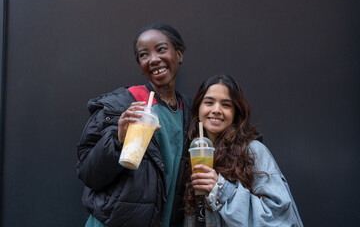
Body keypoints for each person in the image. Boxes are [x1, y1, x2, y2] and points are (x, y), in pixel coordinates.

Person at [76, 23, 192, 227]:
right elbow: (89, 174)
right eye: (143, 55)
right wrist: (118, 139)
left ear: (179, 54)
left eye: (161, 49)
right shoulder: (119, 106)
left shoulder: (190, 112)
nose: (153, 59)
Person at [183, 74, 303, 227]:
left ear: (235, 113)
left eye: (226, 105)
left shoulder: (253, 151)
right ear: (198, 108)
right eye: (209, 102)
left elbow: (278, 217)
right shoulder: (193, 154)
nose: (216, 110)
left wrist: (221, 190)